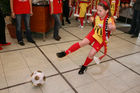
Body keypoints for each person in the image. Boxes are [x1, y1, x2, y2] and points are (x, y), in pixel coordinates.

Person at [56, 1, 116, 74]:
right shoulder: (97, 15)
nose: (98, 12)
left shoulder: (109, 19)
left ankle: (84, 66)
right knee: (82, 42)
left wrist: (111, 27)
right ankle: (65, 52)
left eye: (100, 10)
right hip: (93, 33)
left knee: (91, 54)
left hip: (101, 39)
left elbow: (113, 27)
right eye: (97, 10)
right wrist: (91, 19)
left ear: (107, 11)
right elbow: (92, 19)